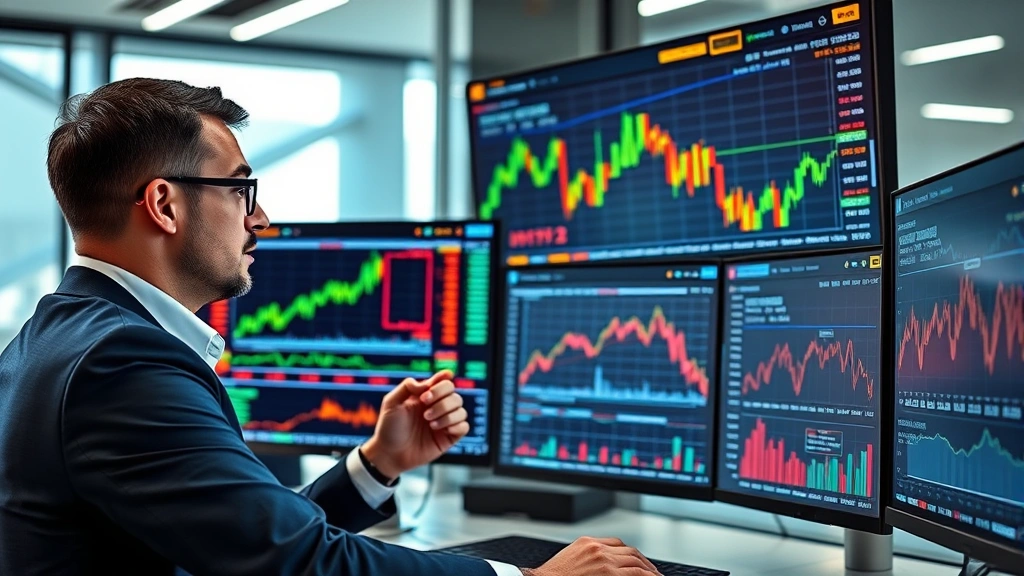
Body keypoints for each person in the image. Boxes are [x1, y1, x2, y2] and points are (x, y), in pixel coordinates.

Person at [0, 78, 660, 576]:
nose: (260, 219)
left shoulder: (58, 338)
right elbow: (299, 562)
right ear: (165, 205)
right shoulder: (123, 363)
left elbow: (246, 534)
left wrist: (377, 465)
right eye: (241, 190)